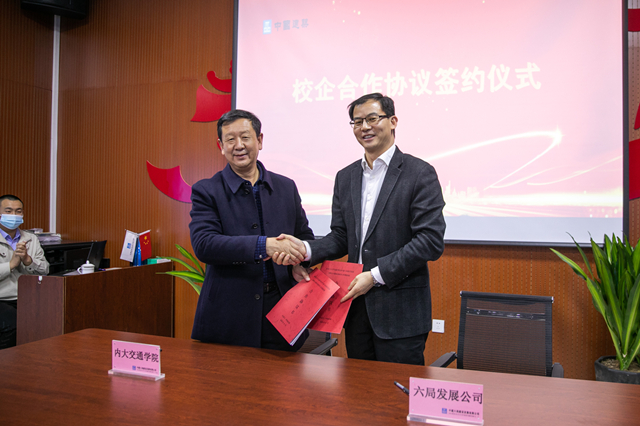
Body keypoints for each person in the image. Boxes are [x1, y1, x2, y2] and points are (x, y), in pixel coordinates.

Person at [275, 93, 446, 365]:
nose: (365, 127)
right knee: (358, 388)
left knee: (396, 388)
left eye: (372, 118)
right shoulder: (346, 177)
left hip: (400, 313)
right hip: (354, 310)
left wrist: (375, 276)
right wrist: (304, 250)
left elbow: (429, 241)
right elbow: (341, 236)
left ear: (393, 121)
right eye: (357, 122)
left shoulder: (419, 172)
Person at [189, 109, 314, 351]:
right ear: (221, 146)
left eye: (245, 137)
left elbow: (304, 236)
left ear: (259, 140)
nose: (239, 145)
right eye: (230, 139)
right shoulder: (206, 190)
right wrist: (264, 245)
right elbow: (204, 244)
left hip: (283, 310)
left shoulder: (286, 187)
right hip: (229, 313)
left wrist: (299, 263)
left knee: (284, 376)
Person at [0, 194, 49, 349]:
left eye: (18, 211)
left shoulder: (31, 238)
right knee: (13, 323)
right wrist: (11, 265)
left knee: (52, 318)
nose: (14, 215)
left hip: (27, 296)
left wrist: (28, 261)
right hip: (2, 299)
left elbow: (45, 270)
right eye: (8, 211)